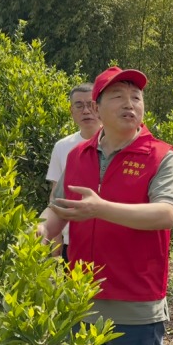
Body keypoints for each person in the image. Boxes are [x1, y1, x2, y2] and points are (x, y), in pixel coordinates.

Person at [37, 66, 173, 345]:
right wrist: (40, 230)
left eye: (136, 97)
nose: (129, 104)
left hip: (135, 299)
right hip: (83, 297)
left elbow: (165, 214)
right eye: (118, 96)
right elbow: (57, 208)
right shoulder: (77, 155)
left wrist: (101, 208)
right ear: (97, 108)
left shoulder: (161, 155)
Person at [45, 83, 102, 261]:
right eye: (79, 105)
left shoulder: (114, 142)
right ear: (71, 111)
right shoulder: (63, 146)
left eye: (90, 104)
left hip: (106, 235)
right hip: (72, 237)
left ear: (99, 107)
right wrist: (55, 237)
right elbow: (56, 194)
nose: (86, 111)